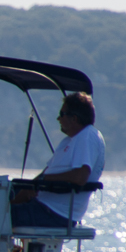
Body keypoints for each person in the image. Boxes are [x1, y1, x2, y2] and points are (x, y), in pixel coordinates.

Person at [11, 92, 105, 228]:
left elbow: (80, 177)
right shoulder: (69, 141)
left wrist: (43, 181)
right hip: (43, 205)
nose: (58, 119)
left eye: (62, 114)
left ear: (74, 118)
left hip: (55, 213)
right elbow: (46, 173)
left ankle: (5, 238)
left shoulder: (87, 136)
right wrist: (31, 187)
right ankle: (12, 247)